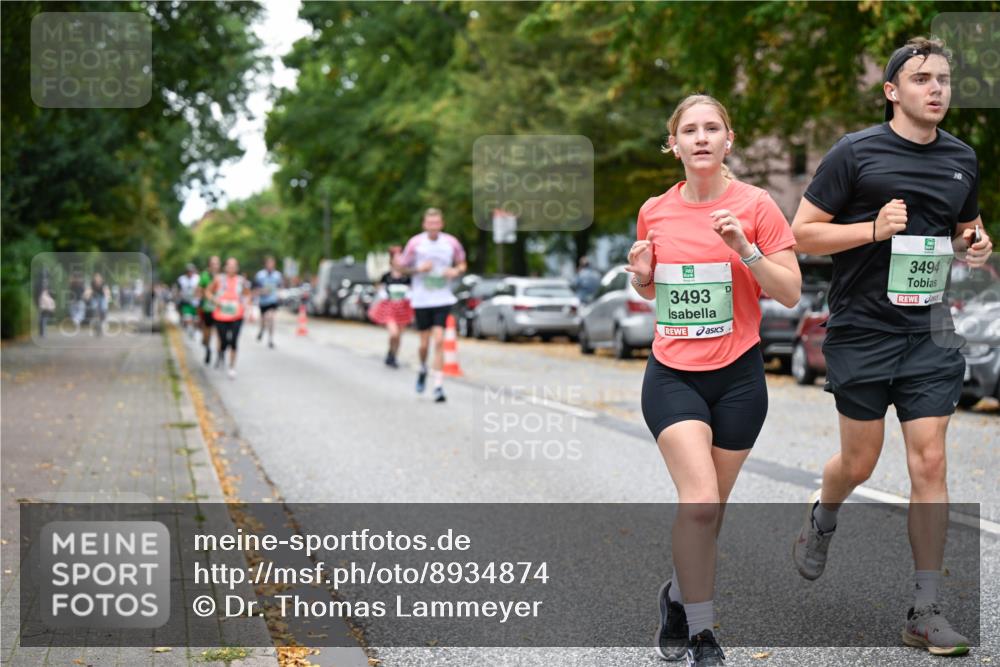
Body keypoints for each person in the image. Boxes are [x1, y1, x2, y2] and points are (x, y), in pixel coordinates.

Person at [789, 37, 991, 657]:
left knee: (929, 462)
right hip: (863, 329)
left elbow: (966, 229)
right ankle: (824, 515)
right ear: (892, 91)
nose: (936, 89)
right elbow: (803, 234)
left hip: (929, 330)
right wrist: (873, 229)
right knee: (860, 462)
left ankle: (925, 610)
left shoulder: (961, 157)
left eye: (944, 79)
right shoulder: (855, 152)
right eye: (922, 78)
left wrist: (976, 244)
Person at [627, 94, 801, 666]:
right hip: (673, 375)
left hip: (739, 378)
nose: (701, 138)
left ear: (729, 140)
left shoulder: (757, 205)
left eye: (712, 128)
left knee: (713, 509)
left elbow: (790, 292)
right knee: (699, 501)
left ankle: (677, 600)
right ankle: (703, 634)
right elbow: (651, 289)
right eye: (689, 130)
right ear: (673, 144)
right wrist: (643, 278)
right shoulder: (655, 210)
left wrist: (745, 249)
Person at [399, 208, 467, 403]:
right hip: (421, 299)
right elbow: (402, 267)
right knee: (424, 344)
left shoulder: (451, 242)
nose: (433, 226)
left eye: (436, 223)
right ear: (424, 224)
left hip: (442, 298)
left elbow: (462, 264)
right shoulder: (415, 243)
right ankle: (422, 367)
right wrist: (418, 269)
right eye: (430, 223)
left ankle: (438, 386)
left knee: (439, 340)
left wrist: (455, 271)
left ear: (442, 224)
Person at [368, 246, 414, 368]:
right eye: (397, 259)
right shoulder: (386, 276)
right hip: (390, 308)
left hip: (403, 308)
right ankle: (390, 352)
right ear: (392, 261)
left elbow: (412, 292)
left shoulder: (407, 277)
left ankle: (393, 355)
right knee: (394, 333)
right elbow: (380, 290)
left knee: (399, 335)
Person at [206, 257, 251, 379]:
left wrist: (246, 306)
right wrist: (215, 300)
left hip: (237, 315)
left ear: (237, 268)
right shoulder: (218, 279)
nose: (231, 268)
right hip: (221, 315)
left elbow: (247, 295)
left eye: (234, 266)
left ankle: (232, 367)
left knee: (234, 341)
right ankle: (221, 352)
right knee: (224, 341)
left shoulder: (241, 281)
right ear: (225, 267)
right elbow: (208, 292)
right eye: (229, 266)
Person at [254, 256, 283, 348]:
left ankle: (270, 339)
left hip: (273, 300)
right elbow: (255, 289)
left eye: (272, 264)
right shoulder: (260, 275)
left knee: (271, 318)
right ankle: (262, 330)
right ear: (266, 264)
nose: (270, 265)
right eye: (269, 263)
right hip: (263, 301)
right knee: (263, 320)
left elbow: (280, 286)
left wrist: (279, 295)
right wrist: (262, 291)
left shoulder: (277, 275)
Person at [196, 256, 221, 365]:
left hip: (219, 308)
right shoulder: (204, 276)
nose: (215, 266)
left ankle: (220, 355)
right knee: (207, 332)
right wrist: (205, 296)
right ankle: (207, 348)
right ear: (209, 265)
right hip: (207, 308)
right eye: (213, 263)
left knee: (220, 332)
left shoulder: (222, 277)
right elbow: (199, 290)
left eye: (217, 263)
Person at [177, 264, 200, 338]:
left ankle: (194, 330)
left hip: (195, 302)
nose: (190, 273)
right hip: (186, 301)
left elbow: (200, 289)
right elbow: (178, 290)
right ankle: (189, 330)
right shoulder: (181, 279)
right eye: (188, 271)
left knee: (196, 320)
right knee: (187, 318)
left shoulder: (197, 278)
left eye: (191, 271)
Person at [88, 272, 110, 336]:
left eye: (98, 278)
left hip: (102, 297)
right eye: (96, 278)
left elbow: (106, 291)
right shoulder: (92, 283)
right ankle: (95, 323)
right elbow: (89, 290)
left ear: (101, 279)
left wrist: (107, 296)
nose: (97, 279)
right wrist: (87, 295)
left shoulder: (104, 283)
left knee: (103, 308)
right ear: (94, 279)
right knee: (94, 308)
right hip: (94, 297)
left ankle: (103, 322)